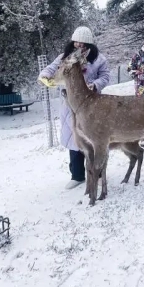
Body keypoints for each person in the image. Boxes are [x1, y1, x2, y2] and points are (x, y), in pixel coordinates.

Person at [38, 26, 110, 189]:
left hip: (93, 106)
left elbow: (105, 76)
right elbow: (51, 69)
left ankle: (98, 173)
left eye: (84, 44)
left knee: (94, 138)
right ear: (73, 42)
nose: (80, 47)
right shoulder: (65, 58)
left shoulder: (99, 59)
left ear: (90, 45)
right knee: (74, 138)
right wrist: (44, 76)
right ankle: (77, 175)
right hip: (71, 105)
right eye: (77, 43)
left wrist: (95, 85)